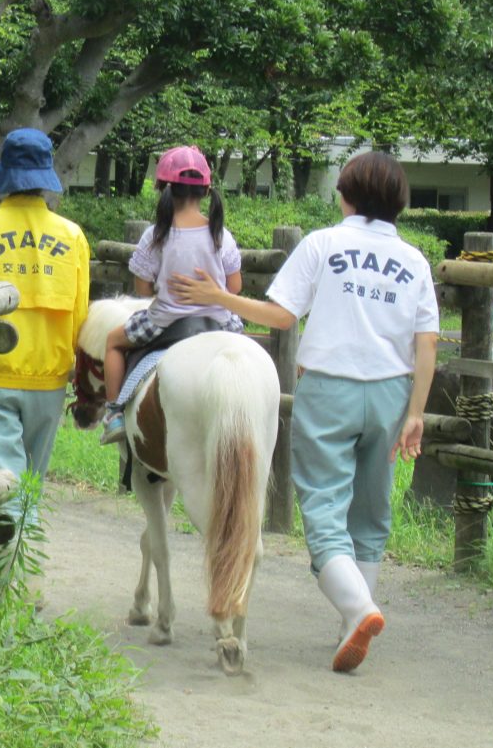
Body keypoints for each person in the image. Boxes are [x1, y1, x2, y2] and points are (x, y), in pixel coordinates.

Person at [168, 150, 438, 673]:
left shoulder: (324, 244)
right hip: (390, 393)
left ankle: (359, 608)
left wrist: (217, 295)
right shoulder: (414, 260)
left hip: (330, 390)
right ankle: (350, 626)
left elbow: (282, 316)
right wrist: (416, 413)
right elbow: (427, 342)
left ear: (347, 194)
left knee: (322, 510)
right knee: (371, 511)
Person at [0, 128, 91, 522]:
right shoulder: (73, 237)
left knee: (6, 485)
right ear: (45, 182)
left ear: (5, 178)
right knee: (29, 486)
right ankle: (16, 573)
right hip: (49, 381)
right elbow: (81, 314)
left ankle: (10, 576)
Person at [98, 145, 244, 445]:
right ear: (206, 192)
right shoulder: (221, 234)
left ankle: (113, 413)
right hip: (219, 322)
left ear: (163, 190)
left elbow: (142, 290)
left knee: (113, 341)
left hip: (166, 322)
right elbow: (236, 288)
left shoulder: (155, 235)